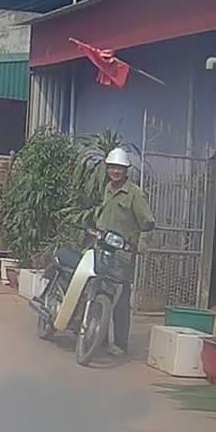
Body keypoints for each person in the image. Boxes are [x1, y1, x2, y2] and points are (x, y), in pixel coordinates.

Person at [95, 147, 156, 357]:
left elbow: (148, 222)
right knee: (99, 294)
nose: (115, 171)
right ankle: (99, 340)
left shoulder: (134, 194)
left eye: (119, 168)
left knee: (120, 301)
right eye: (112, 167)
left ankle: (121, 344)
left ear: (126, 170)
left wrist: (142, 244)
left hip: (122, 255)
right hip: (102, 250)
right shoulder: (108, 189)